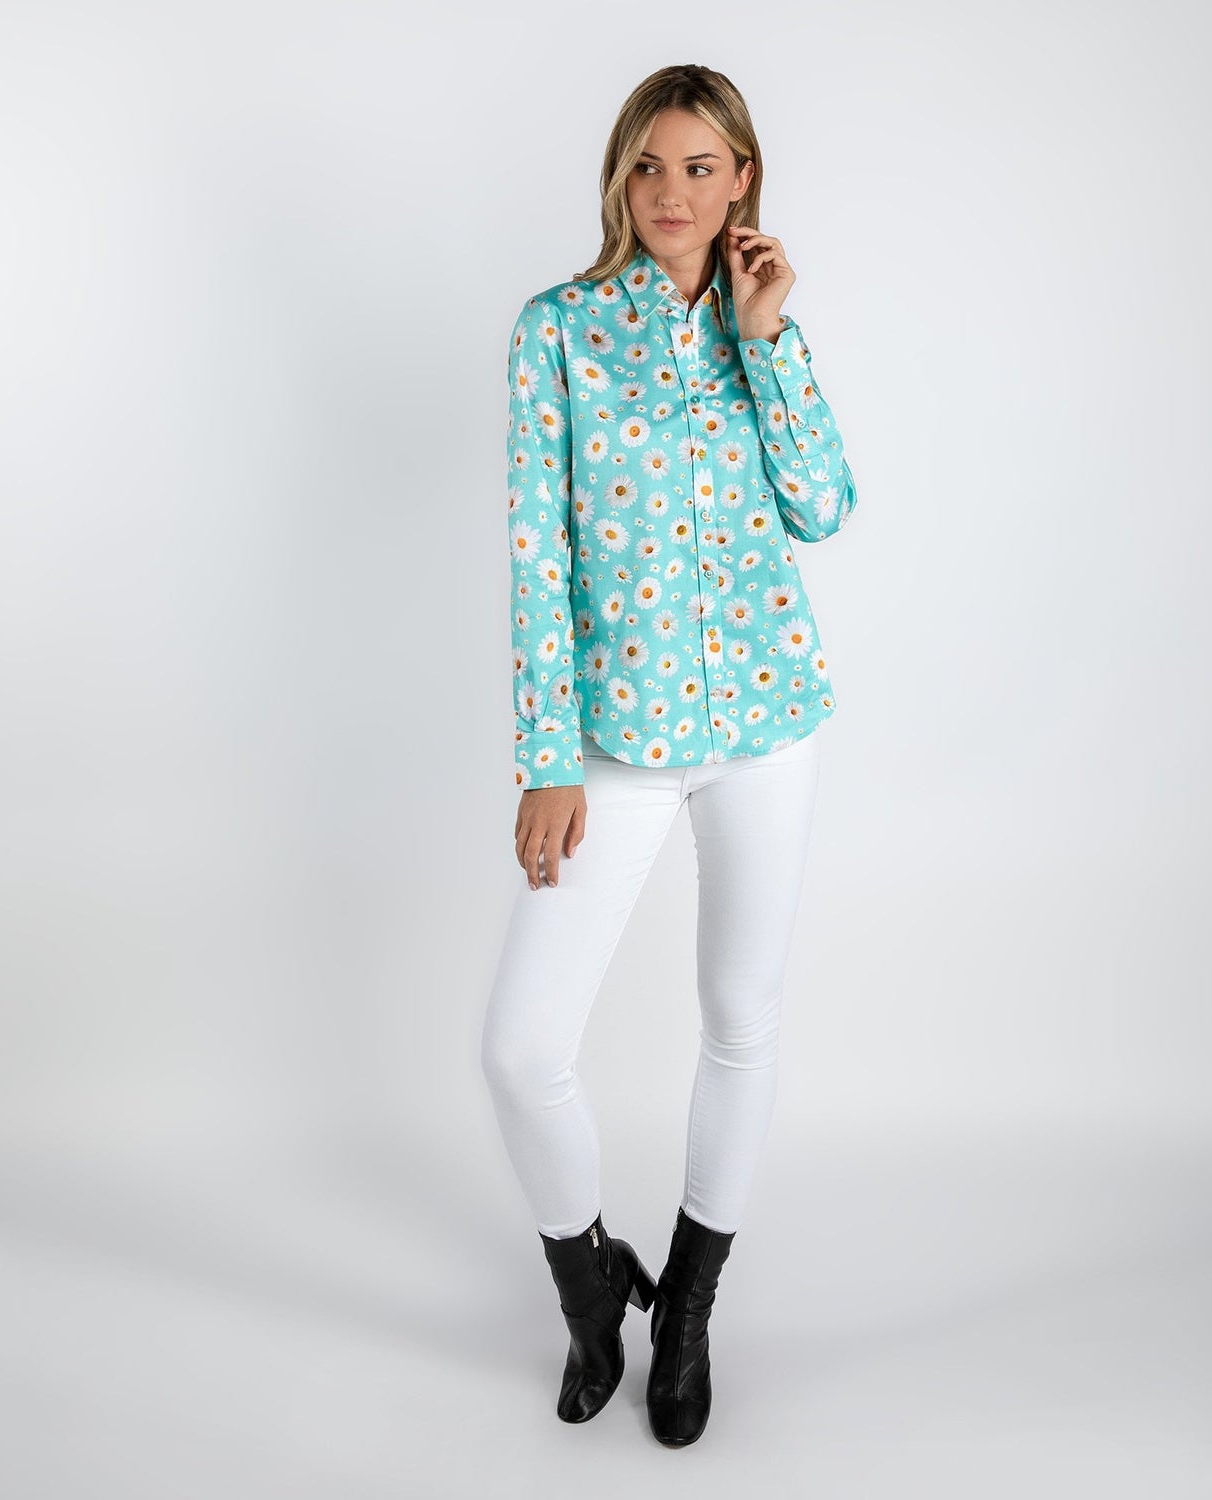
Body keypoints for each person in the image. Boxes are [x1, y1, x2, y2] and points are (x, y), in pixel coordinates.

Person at [480, 62, 858, 1447]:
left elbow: (823, 508)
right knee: (522, 1049)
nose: (673, 192)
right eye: (649, 166)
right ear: (619, 177)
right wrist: (547, 758)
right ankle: (593, 1290)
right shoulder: (558, 332)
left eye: (701, 167)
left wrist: (771, 337)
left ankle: (687, 1310)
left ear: (742, 177)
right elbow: (538, 553)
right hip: (618, 741)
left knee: (740, 1020)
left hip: (768, 725)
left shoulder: (762, 330)